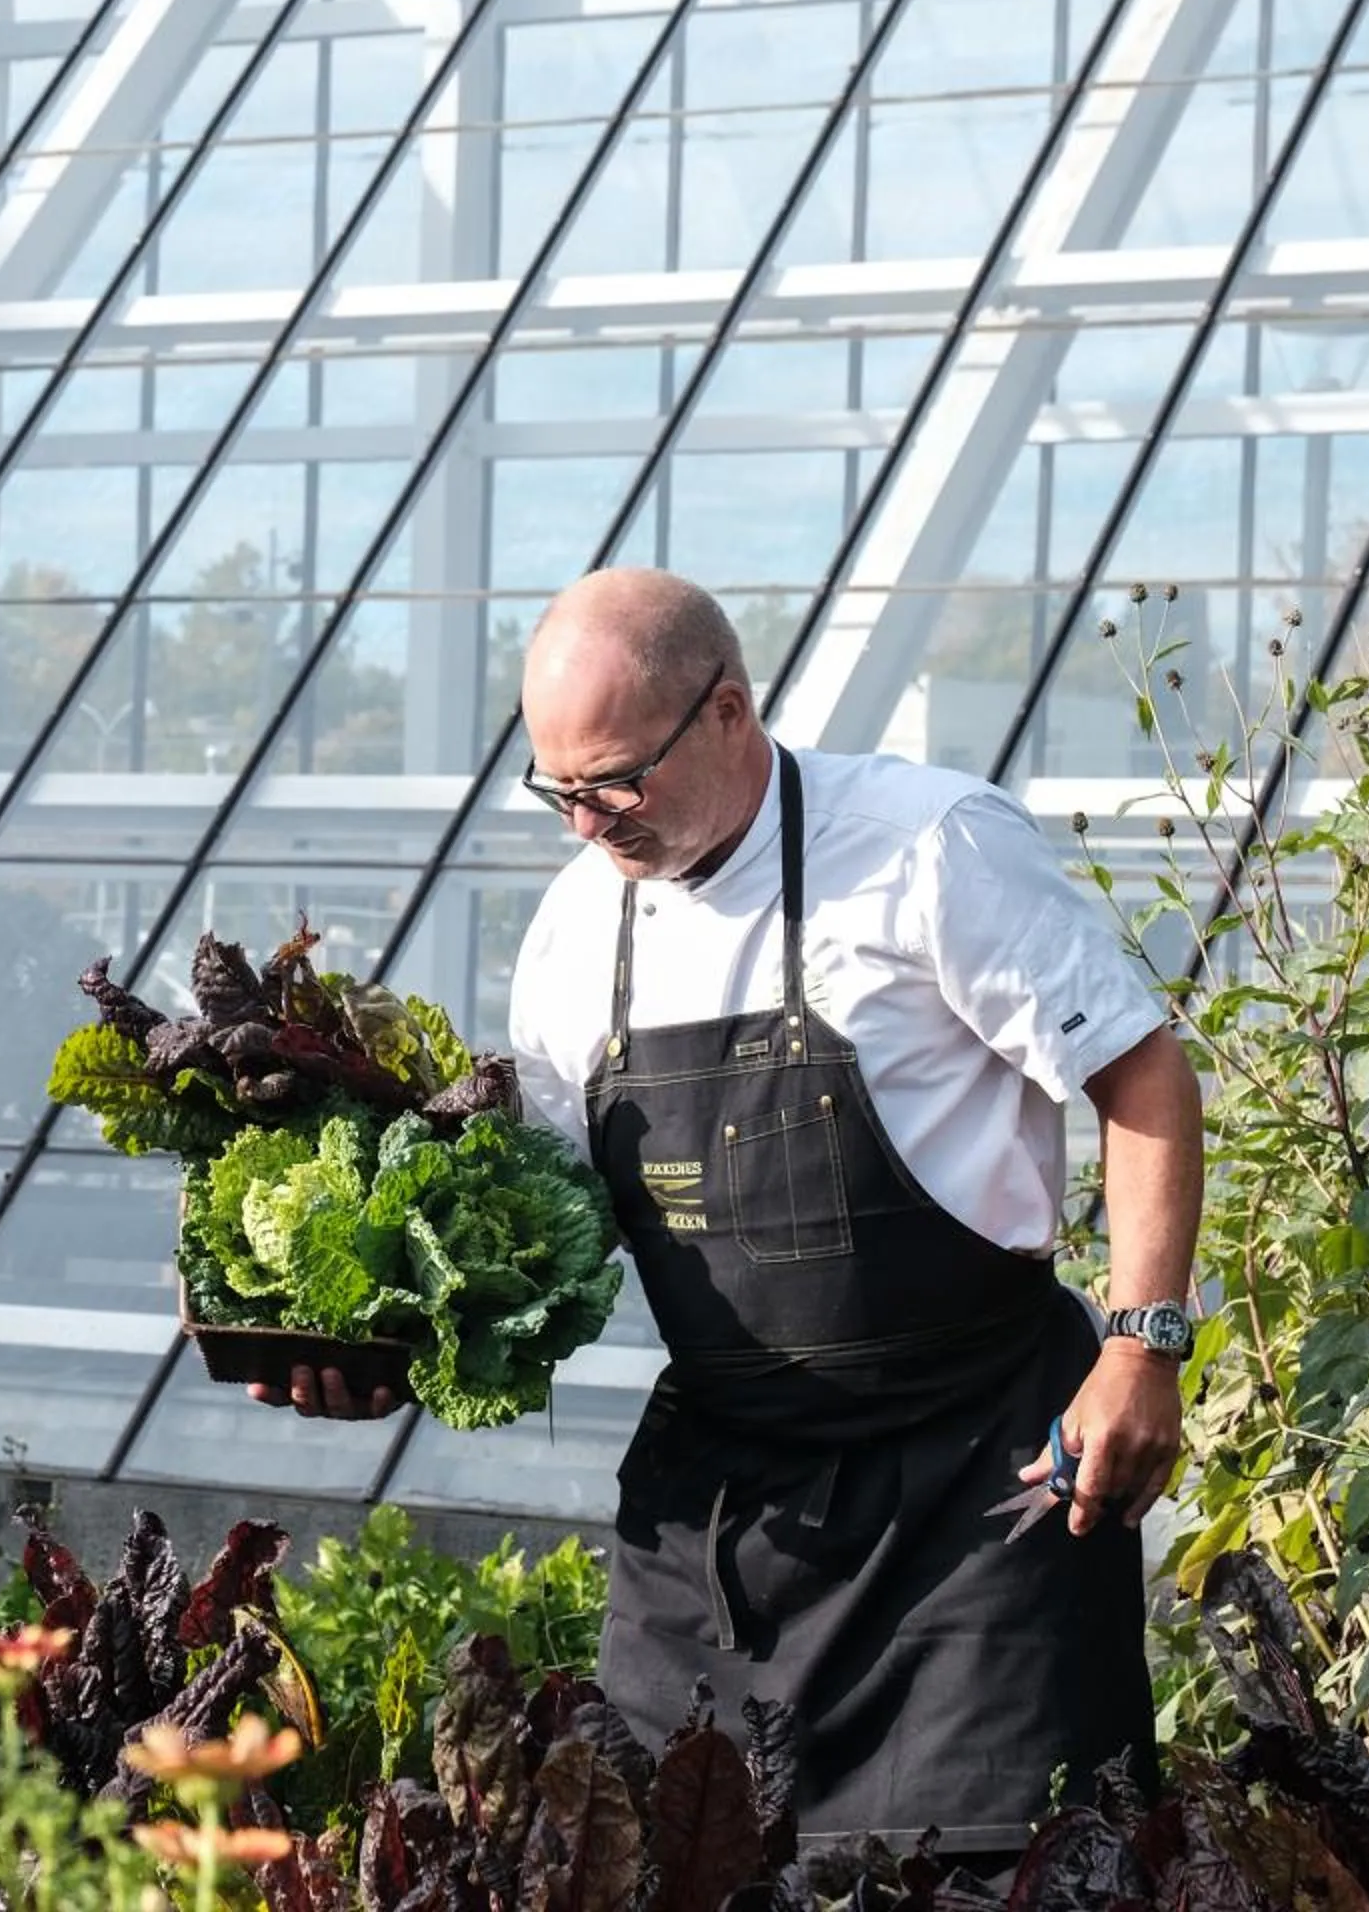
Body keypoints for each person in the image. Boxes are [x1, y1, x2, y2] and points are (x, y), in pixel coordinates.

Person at [258, 567, 1200, 1864]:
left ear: (728, 713)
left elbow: (1142, 1073)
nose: (586, 825)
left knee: (1007, 1875)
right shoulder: (572, 933)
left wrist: (1142, 1348)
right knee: (668, 1869)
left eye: (614, 783)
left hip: (983, 1491)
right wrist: (391, 1353)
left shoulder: (928, 849)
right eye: (557, 791)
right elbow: (546, 1230)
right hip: (723, 1514)